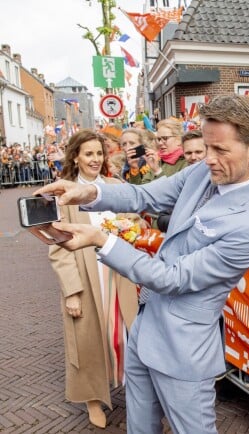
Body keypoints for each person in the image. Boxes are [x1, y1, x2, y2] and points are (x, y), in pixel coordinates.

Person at [35, 94, 249, 433]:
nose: (209, 159)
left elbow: (174, 278)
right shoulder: (201, 174)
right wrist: (86, 193)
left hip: (183, 352)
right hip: (145, 331)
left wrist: (102, 241)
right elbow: (144, 195)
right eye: (206, 147)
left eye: (220, 150)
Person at [47, 130, 138, 429]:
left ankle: (136, 393)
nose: (95, 159)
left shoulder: (114, 186)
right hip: (88, 275)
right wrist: (72, 291)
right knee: (88, 340)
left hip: (120, 273)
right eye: (88, 154)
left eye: (99, 153)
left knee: (127, 336)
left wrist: (130, 225)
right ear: (76, 156)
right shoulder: (65, 195)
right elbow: (58, 248)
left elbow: (135, 221)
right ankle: (92, 399)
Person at [141, 118, 188, 183]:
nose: (160, 143)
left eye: (165, 138)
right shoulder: (158, 160)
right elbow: (143, 186)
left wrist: (157, 171)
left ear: (179, 139)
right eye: (159, 139)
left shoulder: (186, 162)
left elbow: (175, 191)